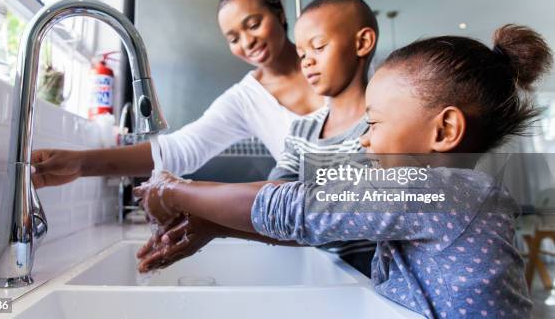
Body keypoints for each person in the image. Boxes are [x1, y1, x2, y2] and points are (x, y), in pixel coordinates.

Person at [136, 24, 552, 318]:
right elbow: (326, 224)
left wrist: (174, 189)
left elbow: (300, 208)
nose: (365, 139)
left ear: (444, 130)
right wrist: (215, 226)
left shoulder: (439, 192)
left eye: (374, 123)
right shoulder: (446, 196)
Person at [135, 0, 379, 275]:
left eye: (319, 47)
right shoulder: (303, 131)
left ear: (362, 43)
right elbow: (276, 205)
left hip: (378, 290)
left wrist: (177, 191)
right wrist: (213, 225)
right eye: (302, 54)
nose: (307, 62)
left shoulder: (381, 128)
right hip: (334, 279)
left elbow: (314, 211)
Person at [30, 0, 323, 187]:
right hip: (327, 237)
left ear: (280, 15)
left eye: (254, 24)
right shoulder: (245, 99)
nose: (247, 42)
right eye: (233, 38)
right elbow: (182, 149)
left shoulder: (328, 58)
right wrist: (81, 163)